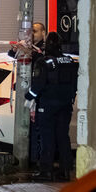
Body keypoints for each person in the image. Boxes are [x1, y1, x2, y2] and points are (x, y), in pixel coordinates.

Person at [28, 32, 78, 182]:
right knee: (63, 137)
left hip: (47, 106)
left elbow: (38, 86)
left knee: (47, 137)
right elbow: (75, 84)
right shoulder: (69, 61)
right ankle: (64, 171)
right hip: (65, 106)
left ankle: (46, 171)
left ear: (47, 45)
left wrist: (28, 96)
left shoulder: (44, 62)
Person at [10, 21, 46, 165]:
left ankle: (35, 161)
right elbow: (13, 56)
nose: (31, 34)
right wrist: (15, 50)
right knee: (29, 131)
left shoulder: (45, 49)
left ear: (43, 33)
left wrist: (29, 52)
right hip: (28, 94)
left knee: (38, 131)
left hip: (39, 96)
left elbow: (41, 63)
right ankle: (29, 160)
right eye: (30, 31)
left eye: (35, 31)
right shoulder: (29, 47)